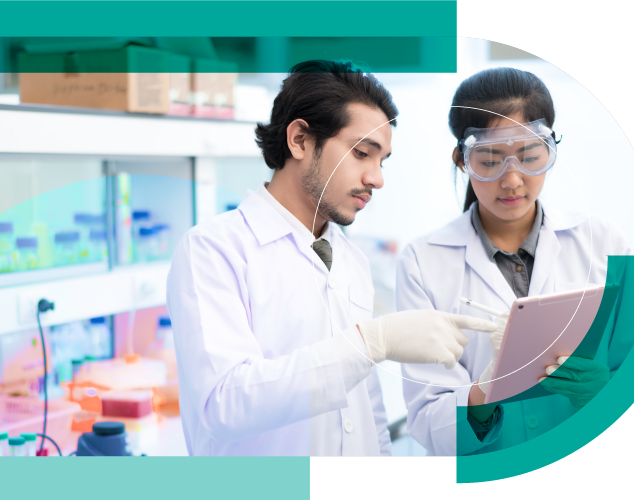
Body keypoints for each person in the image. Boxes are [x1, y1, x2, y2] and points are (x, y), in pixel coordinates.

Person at [166, 60, 496, 456]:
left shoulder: (350, 259)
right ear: (300, 140)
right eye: (362, 153)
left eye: (382, 161)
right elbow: (224, 404)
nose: (377, 178)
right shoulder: (214, 250)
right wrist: (371, 343)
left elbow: (368, 413)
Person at [396, 67, 633, 456]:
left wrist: (605, 394)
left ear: (551, 151)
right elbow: (426, 419)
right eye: (489, 160)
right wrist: (482, 396)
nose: (512, 180)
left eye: (529, 156)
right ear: (462, 160)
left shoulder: (605, 242)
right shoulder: (423, 261)